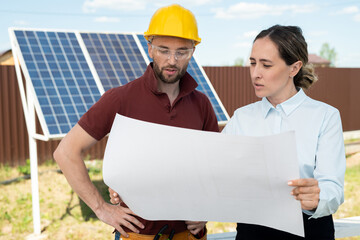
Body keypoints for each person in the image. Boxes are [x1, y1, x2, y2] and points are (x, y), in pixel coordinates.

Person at [53, 4, 219, 240]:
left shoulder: (201, 104)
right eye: (163, 50)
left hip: (191, 235)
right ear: (150, 48)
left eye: (182, 51)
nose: (172, 60)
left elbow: (216, 169)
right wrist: (102, 209)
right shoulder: (120, 99)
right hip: (139, 235)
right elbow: (65, 152)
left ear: (193, 51)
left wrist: (207, 210)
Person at [222, 25, 345, 239]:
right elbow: (216, 175)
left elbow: (333, 188)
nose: (255, 73)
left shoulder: (326, 116)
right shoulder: (241, 118)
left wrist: (317, 197)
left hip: (310, 230)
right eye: (252, 63)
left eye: (266, 65)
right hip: (252, 232)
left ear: (294, 68)